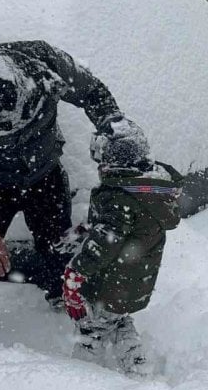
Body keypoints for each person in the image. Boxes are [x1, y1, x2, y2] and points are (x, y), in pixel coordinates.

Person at [0, 40, 148, 340]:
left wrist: (113, 127)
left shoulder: (46, 65)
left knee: (58, 246)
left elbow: (92, 92)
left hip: (43, 174)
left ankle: (64, 305)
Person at [61, 141, 183, 375]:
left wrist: (76, 271)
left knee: (93, 328)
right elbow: (121, 229)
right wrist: (88, 229)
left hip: (111, 282)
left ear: (114, 167)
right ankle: (136, 364)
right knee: (115, 318)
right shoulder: (147, 193)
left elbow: (106, 242)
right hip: (131, 281)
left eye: (103, 161)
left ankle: (79, 375)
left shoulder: (119, 198)